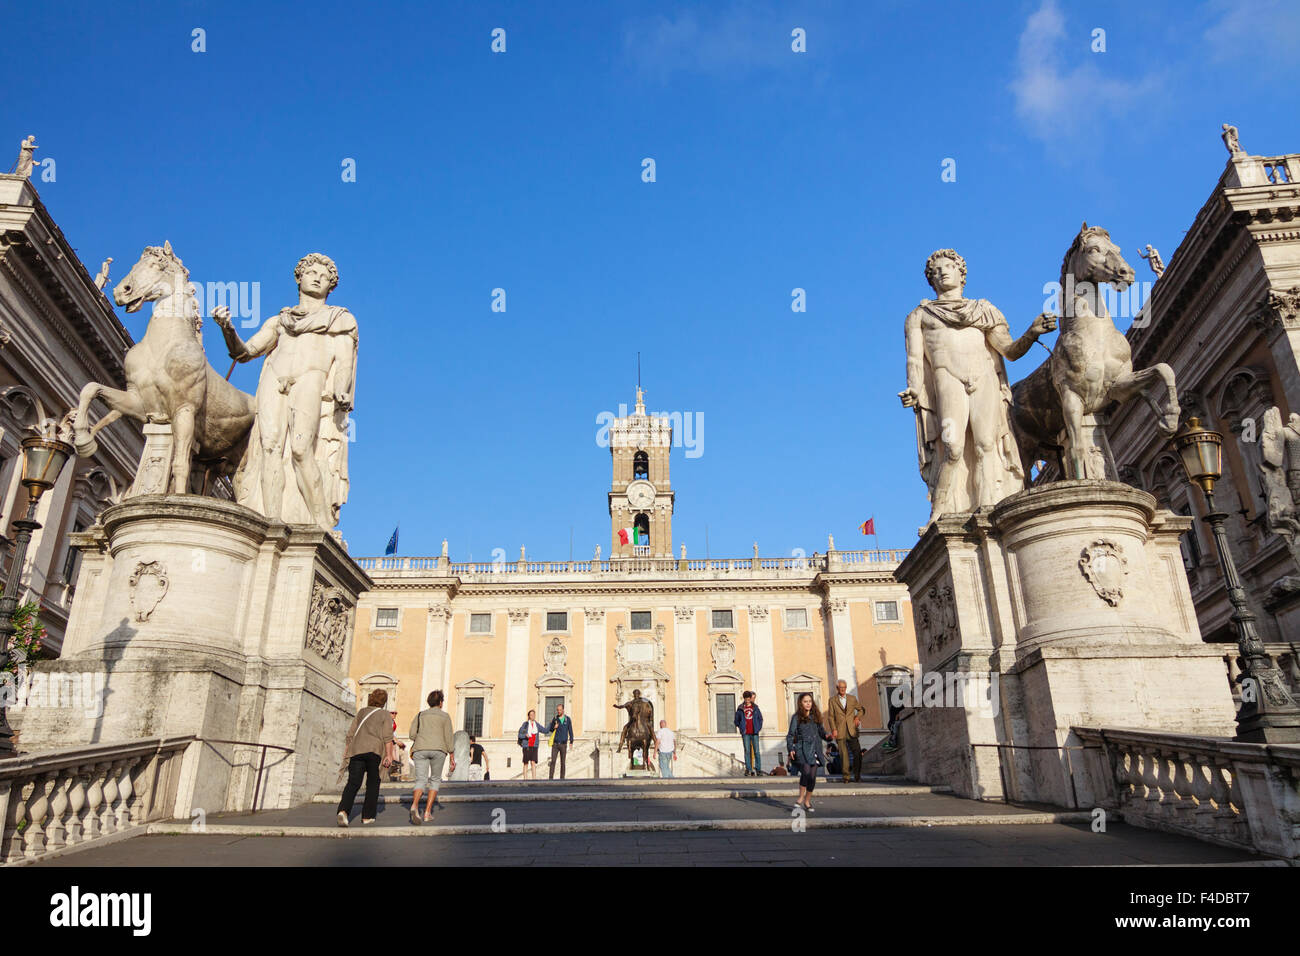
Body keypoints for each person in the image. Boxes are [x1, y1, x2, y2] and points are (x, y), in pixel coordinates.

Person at [899, 248, 1056, 526]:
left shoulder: (983, 310)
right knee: (953, 447)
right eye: (935, 271)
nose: (942, 272)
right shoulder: (919, 316)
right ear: (931, 281)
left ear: (962, 274)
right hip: (947, 377)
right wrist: (914, 389)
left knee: (986, 443)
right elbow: (914, 360)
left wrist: (1031, 334)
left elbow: (1008, 350)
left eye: (948, 266)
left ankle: (989, 509)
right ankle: (940, 511)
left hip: (984, 376)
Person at [214, 252, 358, 529]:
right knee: (269, 448)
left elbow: (344, 363)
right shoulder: (280, 321)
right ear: (299, 277)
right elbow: (244, 353)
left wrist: (342, 390)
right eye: (312, 272)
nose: (318, 278)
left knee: (302, 449)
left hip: (310, 380)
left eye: (325, 277)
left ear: (331, 286)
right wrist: (227, 328)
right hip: (274, 379)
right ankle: (271, 523)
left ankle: (321, 525)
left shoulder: (340, 320)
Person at [337, 689, 395, 827]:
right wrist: (389, 755)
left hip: (357, 750)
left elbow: (350, 734)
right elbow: (388, 736)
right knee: (373, 783)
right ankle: (367, 816)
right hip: (374, 751)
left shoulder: (362, 712)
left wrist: (347, 752)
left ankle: (343, 811)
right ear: (384, 702)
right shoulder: (384, 714)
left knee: (353, 783)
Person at [407, 690, 455, 825]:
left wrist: (422, 737)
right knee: (434, 780)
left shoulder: (420, 715)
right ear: (440, 702)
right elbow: (449, 737)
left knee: (420, 779)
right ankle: (427, 813)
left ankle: (414, 805)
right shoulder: (445, 716)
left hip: (420, 749)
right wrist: (452, 755)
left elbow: (411, 735)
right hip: (439, 750)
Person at [786, 692, 832, 812]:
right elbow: (790, 735)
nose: (808, 704)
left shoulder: (816, 716)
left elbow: (821, 732)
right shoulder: (796, 717)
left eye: (810, 701)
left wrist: (828, 736)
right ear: (801, 703)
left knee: (812, 776)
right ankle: (801, 797)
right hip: (802, 749)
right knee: (806, 772)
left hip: (815, 748)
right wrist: (791, 748)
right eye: (805, 701)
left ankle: (807, 801)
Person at [825, 679, 866, 782]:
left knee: (857, 753)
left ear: (846, 688)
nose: (842, 689)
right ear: (837, 688)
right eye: (840, 688)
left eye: (844, 687)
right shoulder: (832, 700)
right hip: (840, 730)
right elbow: (830, 717)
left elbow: (861, 709)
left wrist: (857, 717)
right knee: (844, 755)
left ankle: (857, 775)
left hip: (852, 730)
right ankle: (846, 777)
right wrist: (833, 729)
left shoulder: (852, 699)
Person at [733, 690, 763, 776]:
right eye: (746, 699)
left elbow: (760, 719)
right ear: (744, 699)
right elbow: (736, 720)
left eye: (748, 699)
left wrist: (758, 728)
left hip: (754, 732)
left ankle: (758, 769)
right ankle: (749, 769)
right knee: (747, 751)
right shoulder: (740, 708)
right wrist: (741, 728)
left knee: (757, 751)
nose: (747, 700)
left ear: (750, 699)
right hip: (745, 733)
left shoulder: (755, 708)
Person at [547, 704, 575, 779]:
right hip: (555, 744)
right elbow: (551, 730)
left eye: (560, 710)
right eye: (557, 710)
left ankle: (562, 778)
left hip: (563, 744)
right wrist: (554, 727)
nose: (558, 711)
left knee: (563, 763)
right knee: (553, 761)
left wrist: (571, 741)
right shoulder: (555, 719)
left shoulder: (567, 719)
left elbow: (570, 730)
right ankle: (550, 778)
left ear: (563, 710)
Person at [517, 709, 544, 779]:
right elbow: (519, 735)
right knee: (526, 763)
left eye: (534, 714)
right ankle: (525, 779)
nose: (533, 716)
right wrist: (525, 736)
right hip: (526, 746)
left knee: (533, 762)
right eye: (531, 715)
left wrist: (552, 725)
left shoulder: (537, 725)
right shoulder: (525, 724)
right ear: (529, 716)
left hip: (534, 746)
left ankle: (534, 779)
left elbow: (545, 730)